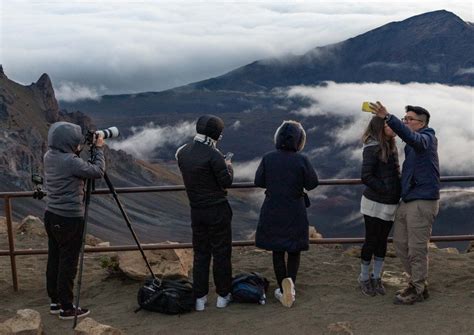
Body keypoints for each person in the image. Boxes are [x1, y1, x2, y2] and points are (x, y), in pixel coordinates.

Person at [370, 102, 440, 305]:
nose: (406, 122)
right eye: (405, 119)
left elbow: (413, 139)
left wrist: (388, 117)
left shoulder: (427, 138)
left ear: (421, 123)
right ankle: (417, 283)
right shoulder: (414, 143)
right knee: (400, 244)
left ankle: (418, 288)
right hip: (409, 199)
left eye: (409, 119)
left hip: (423, 201)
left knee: (416, 248)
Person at [43, 121, 105, 320]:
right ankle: (67, 308)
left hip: (51, 214)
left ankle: (55, 301)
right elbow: (97, 172)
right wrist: (98, 149)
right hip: (69, 217)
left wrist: (78, 149)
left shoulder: (49, 155)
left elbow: (72, 162)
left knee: (55, 257)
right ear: (68, 142)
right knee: (68, 262)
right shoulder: (70, 161)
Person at [254, 120, 319, 308]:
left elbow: (259, 181)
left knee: (277, 249)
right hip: (295, 209)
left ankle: (283, 288)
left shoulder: (268, 158)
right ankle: (290, 286)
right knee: (294, 249)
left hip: (273, 208)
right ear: (299, 140)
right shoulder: (302, 159)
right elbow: (312, 184)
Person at [175, 115, 233, 311]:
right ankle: (223, 296)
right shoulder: (215, 155)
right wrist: (229, 167)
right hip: (218, 210)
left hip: (196, 211)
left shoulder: (182, 152)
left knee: (200, 254)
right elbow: (226, 182)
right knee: (221, 253)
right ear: (217, 134)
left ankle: (199, 299)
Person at [358, 116, 401, 297]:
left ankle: (376, 276)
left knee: (382, 240)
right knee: (371, 240)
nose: (391, 127)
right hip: (374, 202)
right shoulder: (372, 147)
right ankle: (363, 278)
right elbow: (366, 176)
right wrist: (386, 189)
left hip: (390, 202)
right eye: (386, 124)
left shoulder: (391, 146)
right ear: (379, 128)